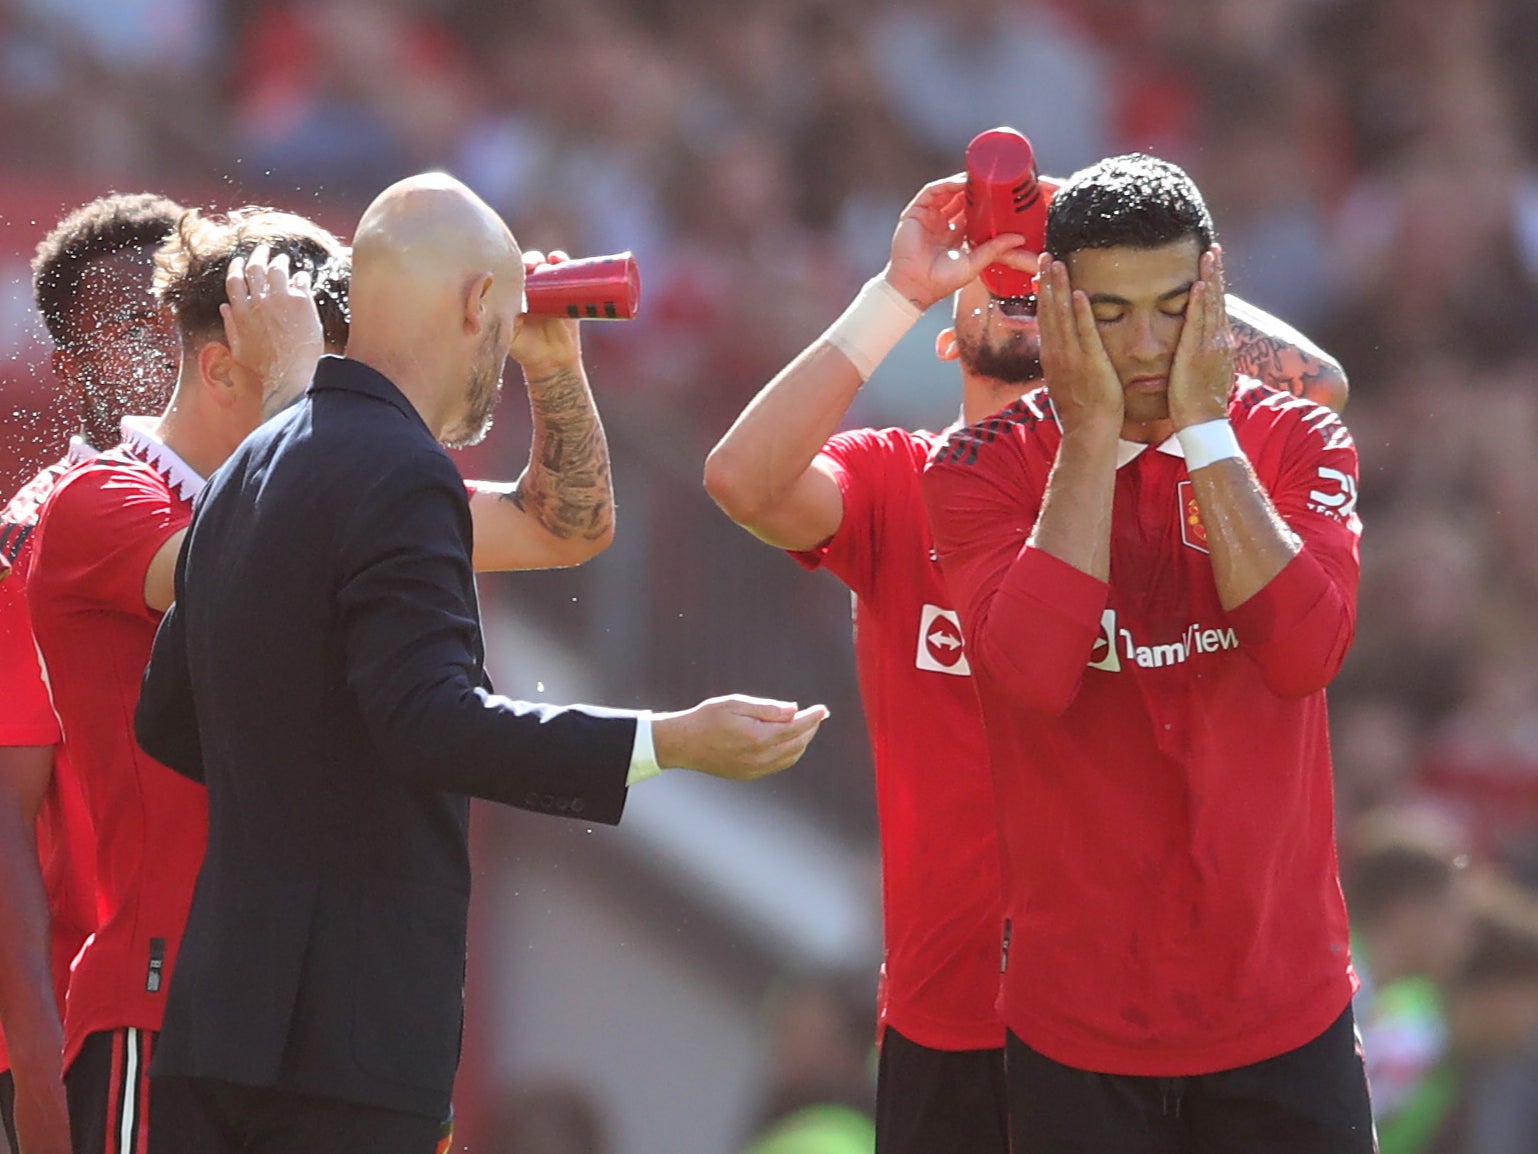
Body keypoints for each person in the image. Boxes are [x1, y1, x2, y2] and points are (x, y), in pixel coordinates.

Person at [131, 173, 828, 1154]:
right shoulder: (402, 467)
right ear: (474, 304)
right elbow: (432, 720)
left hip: (218, 1027)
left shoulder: (250, 460)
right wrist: (668, 739)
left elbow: (167, 714)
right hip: (350, 1041)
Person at [704, 165, 1350, 1153]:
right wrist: (897, 288)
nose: (1004, 284)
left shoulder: (1183, 459)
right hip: (954, 1004)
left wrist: (1128, 276)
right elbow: (744, 477)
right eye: (984, 276)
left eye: (1027, 272)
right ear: (941, 329)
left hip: (1142, 995)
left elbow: (1318, 382)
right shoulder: (913, 479)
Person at [922, 153, 1371, 1153]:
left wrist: (1205, 431)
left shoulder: (1299, 439)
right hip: (1076, 1029)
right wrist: (1089, 438)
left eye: (1172, 306)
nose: (1145, 344)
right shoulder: (975, 469)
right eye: (1108, 313)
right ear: (1051, 303)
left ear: (1213, 289)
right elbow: (1032, 675)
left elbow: (1303, 653)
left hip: (1282, 1010)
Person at [24, 207, 351, 1154]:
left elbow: (557, 528)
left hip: (304, 1010)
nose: (151, 345)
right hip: (150, 997)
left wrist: (541, 357)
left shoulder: (308, 490)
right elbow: (263, 566)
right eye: (122, 327)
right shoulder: (89, 504)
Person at [0, 192, 183, 1154]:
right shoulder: (30, 539)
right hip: (79, 1043)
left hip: (204, 1017)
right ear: (71, 368)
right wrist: (36, 1089)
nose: (162, 348)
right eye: (126, 328)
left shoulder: (229, 507)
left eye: (178, 317)